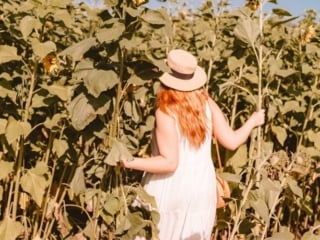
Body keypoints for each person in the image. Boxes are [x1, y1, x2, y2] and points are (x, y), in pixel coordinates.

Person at [121, 49, 265, 240]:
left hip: (171, 187)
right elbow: (231, 142)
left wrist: (130, 162)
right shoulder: (206, 103)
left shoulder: (165, 111)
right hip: (201, 188)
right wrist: (252, 121)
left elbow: (169, 163)